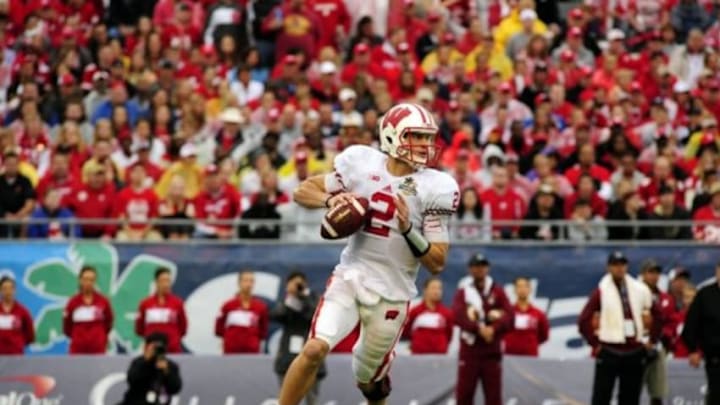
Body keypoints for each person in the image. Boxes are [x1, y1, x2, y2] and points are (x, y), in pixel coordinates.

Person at [278, 102, 459, 405]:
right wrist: (330, 201)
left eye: (429, 138)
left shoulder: (435, 187)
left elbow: (437, 261)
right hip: (352, 274)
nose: (426, 145)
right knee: (313, 349)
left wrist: (407, 230)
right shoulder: (361, 163)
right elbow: (302, 191)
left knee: (369, 382)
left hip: (393, 291)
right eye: (417, 136)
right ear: (391, 135)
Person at [577, 251, 662, 405]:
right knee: (601, 397)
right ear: (608, 268)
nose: (619, 268)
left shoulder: (639, 289)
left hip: (634, 350)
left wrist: (652, 340)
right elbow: (583, 319)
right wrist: (595, 344)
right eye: (615, 265)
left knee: (630, 398)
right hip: (609, 349)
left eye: (622, 264)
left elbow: (658, 314)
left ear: (627, 266)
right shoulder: (601, 291)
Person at [452, 253, 513, 405]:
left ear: (488, 268)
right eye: (476, 266)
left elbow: (510, 317)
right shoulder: (464, 292)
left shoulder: (498, 292)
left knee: (494, 398)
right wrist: (479, 329)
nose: (480, 269)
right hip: (469, 353)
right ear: (470, 269)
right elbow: (458, 316)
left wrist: (494, 329)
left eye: (483, 266)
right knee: (464, 396)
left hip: (491, 353)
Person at [271, 271, 324, 405]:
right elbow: (276, 315)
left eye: (300, 283)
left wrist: (304, 296)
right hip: (287, 357)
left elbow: (316, 315)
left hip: (310, 353)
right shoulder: (286, 301)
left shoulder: (312, 299)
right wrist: (291, 297)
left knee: (312, 400)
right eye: (294, 283)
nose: (298, 286)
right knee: (287, 400)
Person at [682, 261, 720, 404]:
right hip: (715, 359)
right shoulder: (705, 295)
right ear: (717, 271)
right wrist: (693, 349)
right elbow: (691, 324)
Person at [639, 260, 675, 405]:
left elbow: (671, 323)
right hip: (636, 347)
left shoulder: (666, 298)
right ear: (642, 274)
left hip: (657, 347)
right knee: (632, 389)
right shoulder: (633, 295)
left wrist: (660, 336)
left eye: (657, 273)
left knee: (658, 391)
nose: (654, 276)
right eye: (650, 272)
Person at [119, 332, 182, 405]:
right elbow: (132, 380)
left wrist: (167, 371)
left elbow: (175, 388)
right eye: (154, 347)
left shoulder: (170, 365)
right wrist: (146, 361)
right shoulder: (138, 362)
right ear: (146, 347)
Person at [63, 266, 114, 354]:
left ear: (95, 281)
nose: (88, 283)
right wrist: (78, 337)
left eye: (91, 280)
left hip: (98, 349)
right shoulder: (72, 302)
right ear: (80, 280)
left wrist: (100, 336)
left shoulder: (103, 301)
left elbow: (109, 322)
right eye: (86, 279)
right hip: (77, 349)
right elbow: (67, 326)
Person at [215, 270, 269, 354]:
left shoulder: (261, 307)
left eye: (251, 281)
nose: (249, 284)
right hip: (231, 351)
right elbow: (218, 329)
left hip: (252, 351)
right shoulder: (228, 305)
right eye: (245, 280)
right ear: (239, 283)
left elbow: (263, 330)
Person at [135, 268, 188, 353]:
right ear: (156, 282)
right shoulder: (145, 304)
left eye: (168, 281)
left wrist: (173, 338)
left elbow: (183, 327)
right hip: (151, 351)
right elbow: (139, 328)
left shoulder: (177, 303)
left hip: (172, 350)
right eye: (163, 280)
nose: (166, 284)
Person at [403, 277, 453, 354]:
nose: (437, 291)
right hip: (419, 356)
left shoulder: (446, 313)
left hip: (440, 356)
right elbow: (406, 331)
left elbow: (449, 334)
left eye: (439, 288)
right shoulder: (415, 311)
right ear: (425, 290)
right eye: (433, 288)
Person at [504, 276, 549, 356]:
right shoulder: (507, 313)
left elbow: (544, 336)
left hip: (530, 356)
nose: (522, 289)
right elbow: (500, 332)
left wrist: (531, 343)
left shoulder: (538, 314)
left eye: (525, 286)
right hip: (510, 357)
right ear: (514, 290)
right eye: (519, 286)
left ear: (530, 289)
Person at [0, 276, 35, 355]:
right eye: (4, 288)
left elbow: (30, 335)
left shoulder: (22, 311)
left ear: (14, 290)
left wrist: (19, 343)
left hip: (16, 355)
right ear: (0, 290)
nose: (8, 291)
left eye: (10, 288)